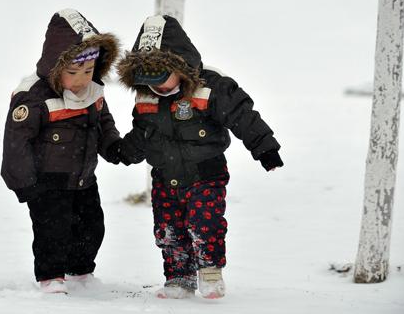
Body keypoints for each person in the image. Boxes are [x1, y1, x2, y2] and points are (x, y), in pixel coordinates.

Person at [115, 15, 283, 299]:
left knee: (205, 223)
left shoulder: (211, 89)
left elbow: (243, 116)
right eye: (148, 79)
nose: (159, 87)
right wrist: (121, 152)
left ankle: (210, 271)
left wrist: (264, 147)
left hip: (206, 173)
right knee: (168, 228)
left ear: (179, 64)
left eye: (162, 77)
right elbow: (142, 133)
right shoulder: (146, 99)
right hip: (164, 177)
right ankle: (179, 276)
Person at [1, 8, 125, 294]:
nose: (81, 79)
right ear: (56, 67)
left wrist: (114, 147)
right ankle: (51, 276)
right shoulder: (33, 97)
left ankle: (80, 271)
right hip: (46, 181)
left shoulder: (92, 92)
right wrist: (26, 185)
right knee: (52, 231)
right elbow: (15, 143)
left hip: (84, 177)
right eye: (72, 72)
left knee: (92, 227)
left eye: (88, 70)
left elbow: (102, 123)